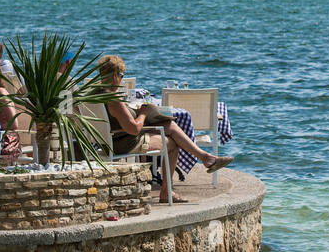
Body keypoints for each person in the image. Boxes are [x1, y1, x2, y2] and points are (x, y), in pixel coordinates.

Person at [99, 55, 231, 204]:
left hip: (109, 140)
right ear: (115, 75)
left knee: (169, 126)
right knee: (173, 145)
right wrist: (143, 112)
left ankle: (205, 157)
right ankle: (166, 192)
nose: (122, 80)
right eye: (121, 76)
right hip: (124, 143)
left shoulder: (95, 94)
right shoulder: (113, 99)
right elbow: (134, 129)